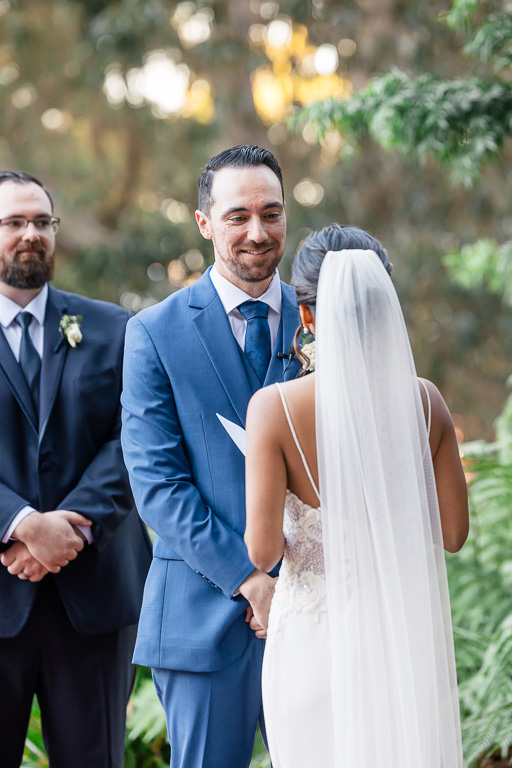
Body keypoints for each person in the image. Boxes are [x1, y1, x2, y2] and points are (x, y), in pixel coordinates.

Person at [245, 224, 469, 768]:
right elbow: (454, 535)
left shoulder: (273, 408)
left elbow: (263, 552)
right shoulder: (426, 401)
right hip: (398, 640)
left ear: (307, 314)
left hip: (312, 646)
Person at [121, 145, 301, 768]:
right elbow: (158, 485)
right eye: (237, 216)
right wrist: (252, 581)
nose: (258, 232)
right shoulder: (154, 332)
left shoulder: (325, 320)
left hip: (320, 612)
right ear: (204, 222)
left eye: (272, 213)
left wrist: (296, 585)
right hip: (202, 618)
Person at [0, 171, 152, 768]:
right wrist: (19, 523)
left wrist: (72, 526)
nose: (31, 234)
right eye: (14, 222)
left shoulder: (113, 327)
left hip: (94, 597)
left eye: (42, 221)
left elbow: (135, 437)